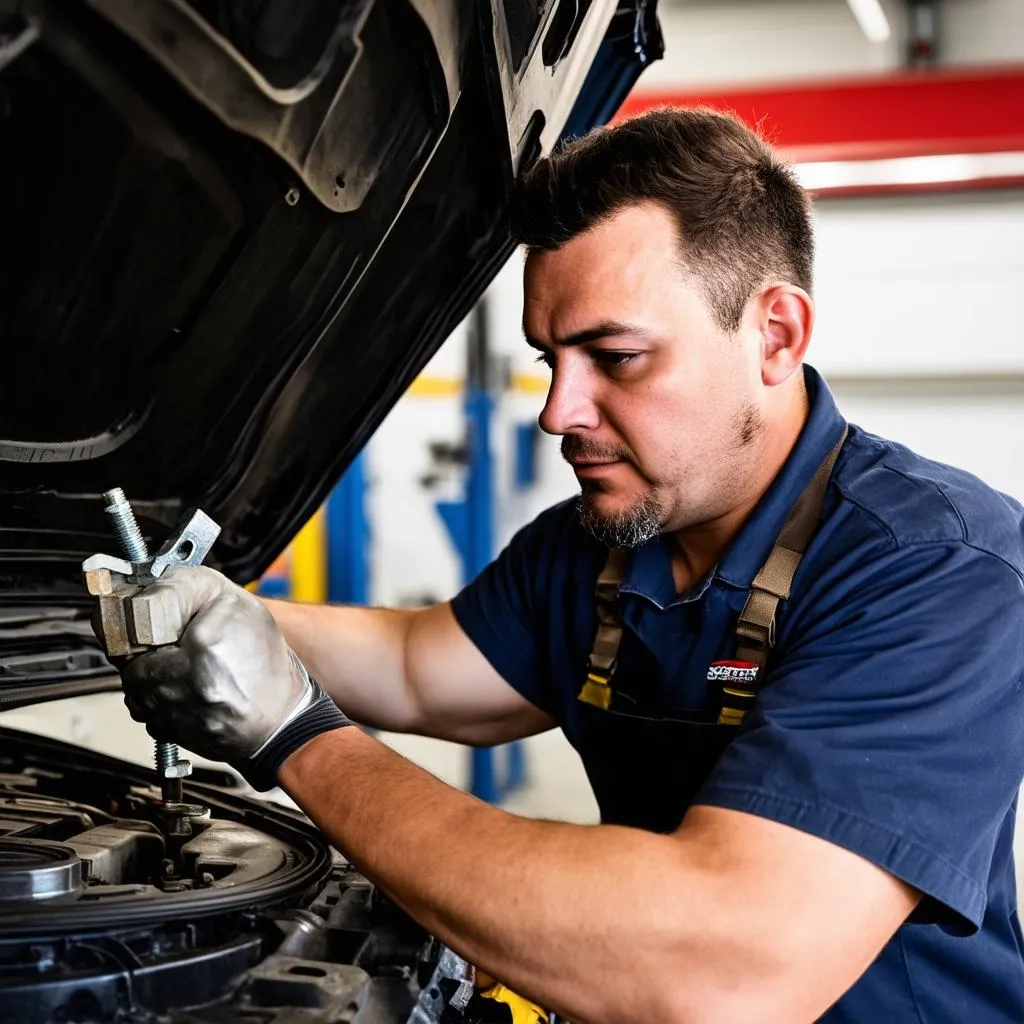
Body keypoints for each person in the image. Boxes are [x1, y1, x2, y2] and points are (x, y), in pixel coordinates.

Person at [94, 108, 1024, 1023]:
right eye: (550, 359)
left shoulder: (936, 571)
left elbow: (724, 974)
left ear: (775, 336)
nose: (558, 412)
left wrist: (293, 736)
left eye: (614, 358)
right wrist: (215, 616)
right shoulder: (594, 546)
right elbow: (421, 667)